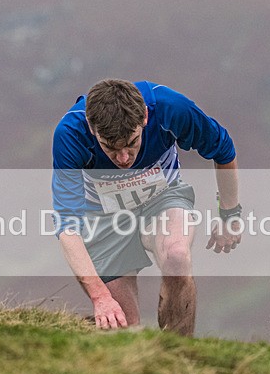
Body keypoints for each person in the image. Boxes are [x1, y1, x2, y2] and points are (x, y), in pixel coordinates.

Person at [51, 79, 242, 335]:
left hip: (162, 197)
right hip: (104, 215)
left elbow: (223, 148)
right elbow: (68, 227)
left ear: (145, 117)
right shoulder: (70, 134)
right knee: (124, 328)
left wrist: (229, 214)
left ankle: (178, 351)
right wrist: (100, 297)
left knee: (176, 256)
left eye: (132, 142)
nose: (123, 159)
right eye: (110, 148)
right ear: (92, 128)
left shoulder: (170, 108)